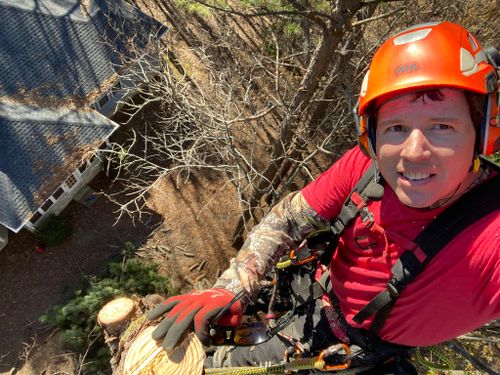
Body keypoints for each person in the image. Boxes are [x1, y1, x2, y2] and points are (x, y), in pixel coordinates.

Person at [147, 21, 500, 373]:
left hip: (352, 349)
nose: (413, 151)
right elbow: (289, 216)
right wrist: (231, 287)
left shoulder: (489, 233)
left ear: (483, 131)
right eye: (396, 127)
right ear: (372, 137)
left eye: (442, 126)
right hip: (313, 289)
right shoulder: (367, 167)